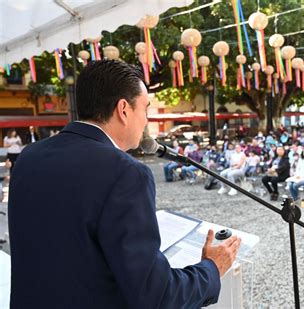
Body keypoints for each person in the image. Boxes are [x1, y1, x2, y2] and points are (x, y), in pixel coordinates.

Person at [8, 60, 241, 308]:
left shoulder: (29, 157)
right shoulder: (125, 173)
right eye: (145, 110)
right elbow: (157, 296)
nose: (146, 122)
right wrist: (212, 269)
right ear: (123, 109)